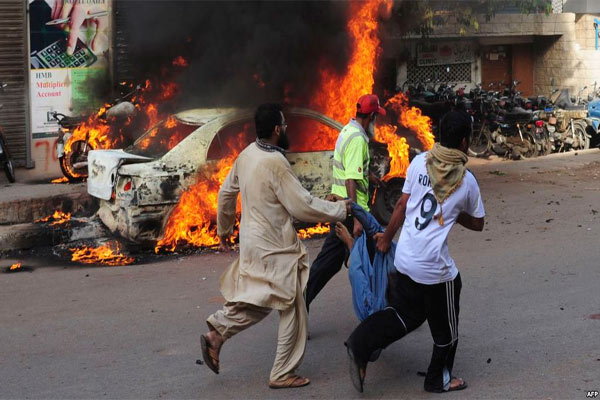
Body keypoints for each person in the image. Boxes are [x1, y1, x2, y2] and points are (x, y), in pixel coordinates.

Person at [200, 103, 351, 389]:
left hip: (253, 245)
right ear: (276, 130)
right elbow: (302, 206)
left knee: (263, 300)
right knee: (293, 305)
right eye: (284, 124)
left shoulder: (247, 154)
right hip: (275, 248)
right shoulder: (276, 163)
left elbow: (225, 194)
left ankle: (217, 333)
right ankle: (283, 372)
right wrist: (341, 210)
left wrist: (224, 230)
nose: (287, 128)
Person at [344, 111, 486, 394]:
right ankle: (439, 378)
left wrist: (386, 238)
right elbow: (479, 223)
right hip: (434, 268)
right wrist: (456, 213)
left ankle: (360, 343)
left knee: (406, 315)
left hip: (406, 257)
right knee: (447, 327)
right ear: (463, 141)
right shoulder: (466, 180)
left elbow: (401, 205)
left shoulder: (420, 161)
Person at [305, 94, 386, 313]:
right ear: (370, 116)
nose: (376, 121)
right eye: (376, 117)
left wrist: (369, 177)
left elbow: (352, 169)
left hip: (342, 208)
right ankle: (386, 309)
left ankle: (301, 302)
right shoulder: (358, 139)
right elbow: (350, 178)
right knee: (375, 256)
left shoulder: (347, 130)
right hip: (351, 212)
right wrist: (358, 217)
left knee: (330, 263)